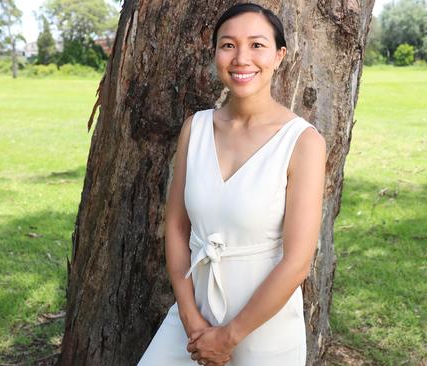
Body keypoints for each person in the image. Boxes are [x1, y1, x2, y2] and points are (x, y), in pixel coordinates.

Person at [136, 3, 325, 365]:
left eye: (257, 45)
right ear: (215, 54)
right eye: (228, 45)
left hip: (262, 326)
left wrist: (229, 336)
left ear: (279, 56)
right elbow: (176, 227)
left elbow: (298, 260)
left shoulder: (302, 142)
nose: (241, 58)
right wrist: (191, 318)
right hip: (193, 320)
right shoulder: (196, 128)